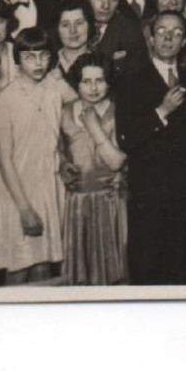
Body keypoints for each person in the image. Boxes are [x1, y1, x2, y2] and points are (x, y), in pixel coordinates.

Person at [0, 27, 75, 284]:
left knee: (42, 269)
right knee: (18, 270)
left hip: (46, 190)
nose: (38, 63)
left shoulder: (54, 92)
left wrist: (63, 162)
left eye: (43, 56)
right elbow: (5, 160)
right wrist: (25, 210)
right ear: (17, 60)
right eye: (30, 57)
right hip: (16, 194)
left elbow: (58, 134)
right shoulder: (4, 101)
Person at [115, 10, 186, 286]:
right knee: (147, 271)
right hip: (148, 196)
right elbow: (126, 138)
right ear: (150, 39)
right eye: (162, 31)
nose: (168, 38)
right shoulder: (130, 79)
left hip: (183, 195)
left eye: (176, 33)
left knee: (179, 272)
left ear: (185, 41)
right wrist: (162, 111)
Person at [59, 54, 127, 286]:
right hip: (76, 205)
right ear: (76, 83)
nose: (94, 87)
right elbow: (57, 150)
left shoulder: (118, 112)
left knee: (111, 274)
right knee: (79, 274)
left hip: (110, 202)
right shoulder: (65, 111)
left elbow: (116, 161)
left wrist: (94, 128)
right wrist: (62, 164)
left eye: (100, 80)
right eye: (86, 81)